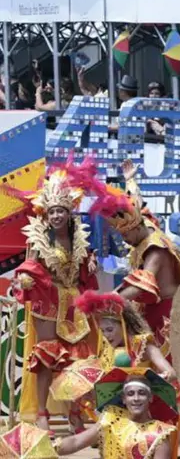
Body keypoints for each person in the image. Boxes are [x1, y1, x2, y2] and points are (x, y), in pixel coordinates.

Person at [6, 157, 100, 433]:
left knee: (75, 359)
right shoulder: (36, 237)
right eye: (52, 212)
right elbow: (30, 265)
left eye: (61, 211)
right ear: (45, 215)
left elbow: (82, 269)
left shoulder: (79, 237)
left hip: (74, 304)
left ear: (69, 213)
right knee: (47, 357)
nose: (56, 216)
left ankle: (75, 412)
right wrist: (25, 278)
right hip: (47, 302)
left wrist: (90, 263)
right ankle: (43, 413)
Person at [88, 159, 180, 352]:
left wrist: (112, 299)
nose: (124, 240)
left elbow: (142, 282)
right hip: (150, 310)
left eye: (125, 234)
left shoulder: (155, 247)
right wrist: (131, 181)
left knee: (163, 364)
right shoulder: (147, 227)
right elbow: (137, 205)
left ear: (136, 227)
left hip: (167, 314)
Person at [53, 368, 179, 459]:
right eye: (130, 394)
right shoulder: (111, 420)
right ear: (124, 399)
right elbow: (76, 442)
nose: (136, 398)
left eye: (141, 393)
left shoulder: (159, 434)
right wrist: (51, 447)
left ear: (150, 397)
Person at [74, 290, 177, 379]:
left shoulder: (143, 344)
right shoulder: (106, 349)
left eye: (110, 330)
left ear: (124, 325)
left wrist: (145, 382)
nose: (106, 335)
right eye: (102, 331)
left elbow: (171, 373)